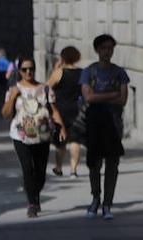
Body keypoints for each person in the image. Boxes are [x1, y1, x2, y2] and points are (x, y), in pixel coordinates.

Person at [2, 57, 65, 217]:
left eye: (31, 69)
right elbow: (6, 114)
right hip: (20, 136)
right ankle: (32, 203)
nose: (28, 72)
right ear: (19, 71)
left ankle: (33, 192)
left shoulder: (44, 89)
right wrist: (12, 97)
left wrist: (62, 127)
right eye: (24, 69)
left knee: (41, 173)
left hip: (42, 135)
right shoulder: (13, 89)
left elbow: (54, 110)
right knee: (27, 169)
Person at [80, 34, 129, 220]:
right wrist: (112, 94)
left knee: (112, 164)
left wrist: (100, 96)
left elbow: (123, 100)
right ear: (97, 50)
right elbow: (88, 97)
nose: (107, 52)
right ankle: (95, 197)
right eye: (103, 48)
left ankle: (108, 203)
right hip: (93, 123)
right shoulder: (89, 72)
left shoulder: (120, 72)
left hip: (114, 124)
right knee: (94, 163)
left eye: (110, 48)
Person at [48, 46, 85, 176]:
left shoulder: (59, 72)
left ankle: (58, 168)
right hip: (76, 108)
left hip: (60, 109)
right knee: (75, 140)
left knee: (61, 140)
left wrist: (55, 69)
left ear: (63, 57)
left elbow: (47, 87)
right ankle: (73, 170)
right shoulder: (82, 72)